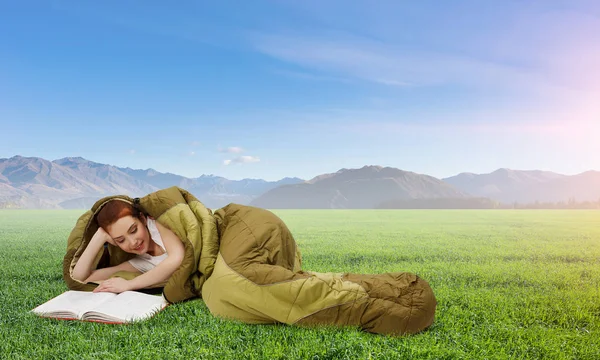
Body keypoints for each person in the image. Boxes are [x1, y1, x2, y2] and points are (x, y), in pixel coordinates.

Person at [72, 199, 185, 294]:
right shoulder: (140, 263)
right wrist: (99, 237)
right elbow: (79, 278)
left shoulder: (158, 223)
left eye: (133, 230)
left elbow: (176, 258)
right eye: (121, 240)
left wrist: (130, 284)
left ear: (142, 219)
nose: (132, 242)